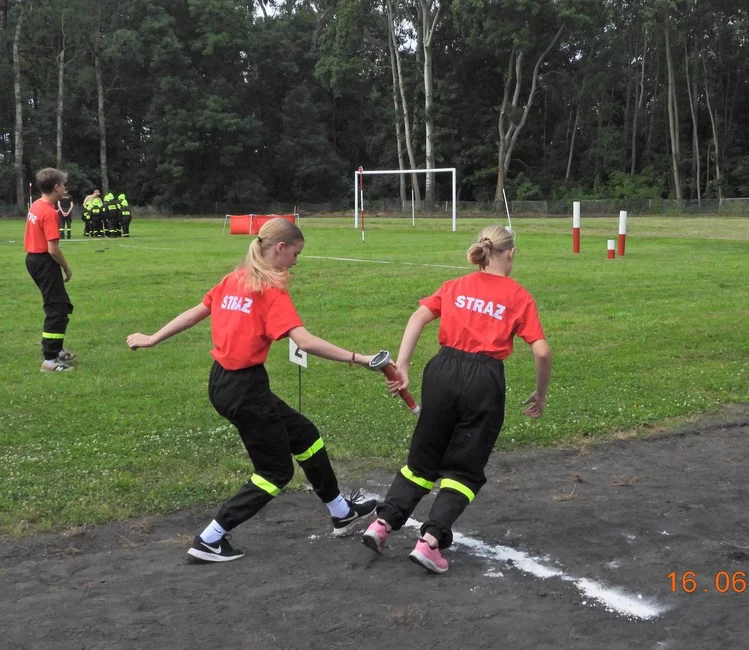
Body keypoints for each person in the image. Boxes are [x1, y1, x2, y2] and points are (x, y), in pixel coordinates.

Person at [126, 218, 379, 562]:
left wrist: (153, 338)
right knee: (275, 472)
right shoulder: (269, 291)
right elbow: (304, 341)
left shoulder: (234, 279)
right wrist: (359, 359)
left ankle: (341, 511)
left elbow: (195, 313)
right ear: (280, 248)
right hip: (245, 389)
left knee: (304, 435)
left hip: (224, 382)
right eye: (295, 253)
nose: (296, 262)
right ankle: (210, 539)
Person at [362, 225, 552, 574]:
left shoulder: (455, 285)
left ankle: (383, 523)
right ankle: (431, 541)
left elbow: (418, 316)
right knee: (465, 466)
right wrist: (540, 394)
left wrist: (403, 365)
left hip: (442, 371)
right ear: (511, 253)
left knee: (424, 457)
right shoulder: (518, 295)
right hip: (484, 378)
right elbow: (541, 351)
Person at [24, 168, 77, 372]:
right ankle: (50, 360)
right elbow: (53, 249)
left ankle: (57, 349)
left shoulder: (36, 205)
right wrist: (66, 268)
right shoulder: (49, 212)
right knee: (56, 309)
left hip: (33, 260)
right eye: (63, 184)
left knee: (61, 305)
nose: (65, 188)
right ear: (56, 187)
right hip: (44, 261)